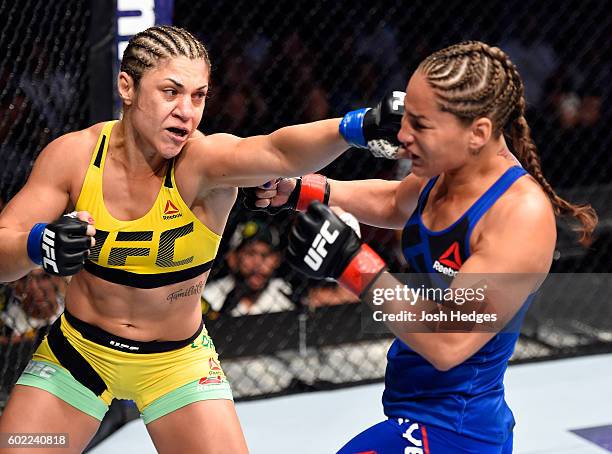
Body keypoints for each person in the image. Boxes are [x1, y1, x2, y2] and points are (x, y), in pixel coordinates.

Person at [0, 25, 402, 452]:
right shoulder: (73, 157)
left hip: (176, 363)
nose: (186, 112)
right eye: (171, 91)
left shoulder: (202, 162)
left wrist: (356, 126)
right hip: (77, 354)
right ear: (127, 87)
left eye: (198, 95)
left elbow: (278, 152)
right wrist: (37, 244)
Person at [249, 41, 597, 453]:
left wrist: (351, 263)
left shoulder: (518, 217)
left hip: (457, 432)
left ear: (478, 133)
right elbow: (395, 202)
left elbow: (449, 342)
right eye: (407, 118)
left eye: (420, 124)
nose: (402, 136)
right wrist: (300, 191)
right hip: (419, 414)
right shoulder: (448, 169)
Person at [202, 220, 294, 317]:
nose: (258, 263)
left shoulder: (285, 295)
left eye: (265, 255)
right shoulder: (209, 297)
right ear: (232, 258)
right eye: (250, 253)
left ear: (276, 260)